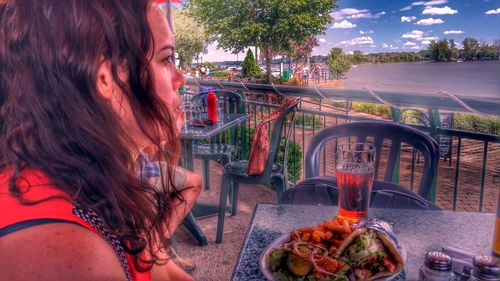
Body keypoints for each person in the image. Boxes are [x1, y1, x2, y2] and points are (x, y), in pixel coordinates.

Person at [0, 1, 201, 280]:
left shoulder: (106, 179)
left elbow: (163, 271)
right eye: (166, 59)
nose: (181, 78)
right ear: (105, 77)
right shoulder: (72, 258)